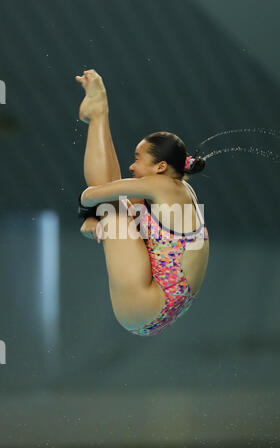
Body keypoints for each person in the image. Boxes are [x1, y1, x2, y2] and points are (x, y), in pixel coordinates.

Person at [75, 70, 209, 336]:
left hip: (146, 304)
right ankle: (97, 114)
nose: (132, 165)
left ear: (160, 166)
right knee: (112, 209)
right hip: (159, 309)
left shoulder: (159, 186)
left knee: (110, 207)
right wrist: (92, 220)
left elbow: (94, 193)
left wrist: (85, 207)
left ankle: (99, 111)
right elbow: (110, 198)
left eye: (137, 159)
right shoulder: (179, 191)